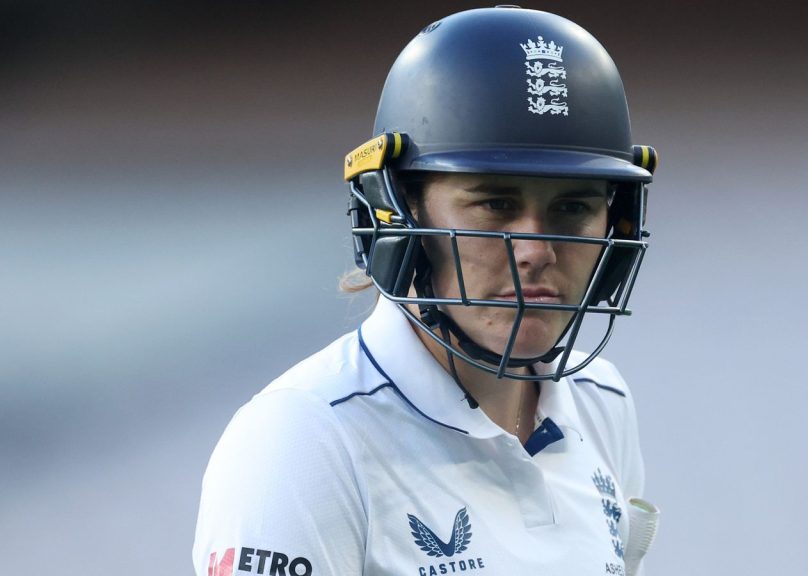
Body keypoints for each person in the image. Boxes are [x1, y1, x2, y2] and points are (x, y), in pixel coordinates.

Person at [193, 6, 659, 576]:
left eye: (573, 207)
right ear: (399, 216)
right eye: (496, 205)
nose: (538, 250)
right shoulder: (301, 441)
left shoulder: (601, 400)